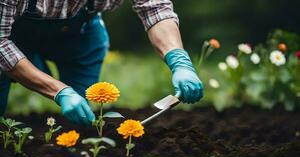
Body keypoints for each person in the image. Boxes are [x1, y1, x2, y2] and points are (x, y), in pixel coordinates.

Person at [0, 0, 203, 125]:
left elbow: (155, 8)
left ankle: (32, 68)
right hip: (10, 34)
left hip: (80, 36)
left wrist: (179, 61)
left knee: (81, 118)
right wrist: (59, 91)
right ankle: (29, 66)